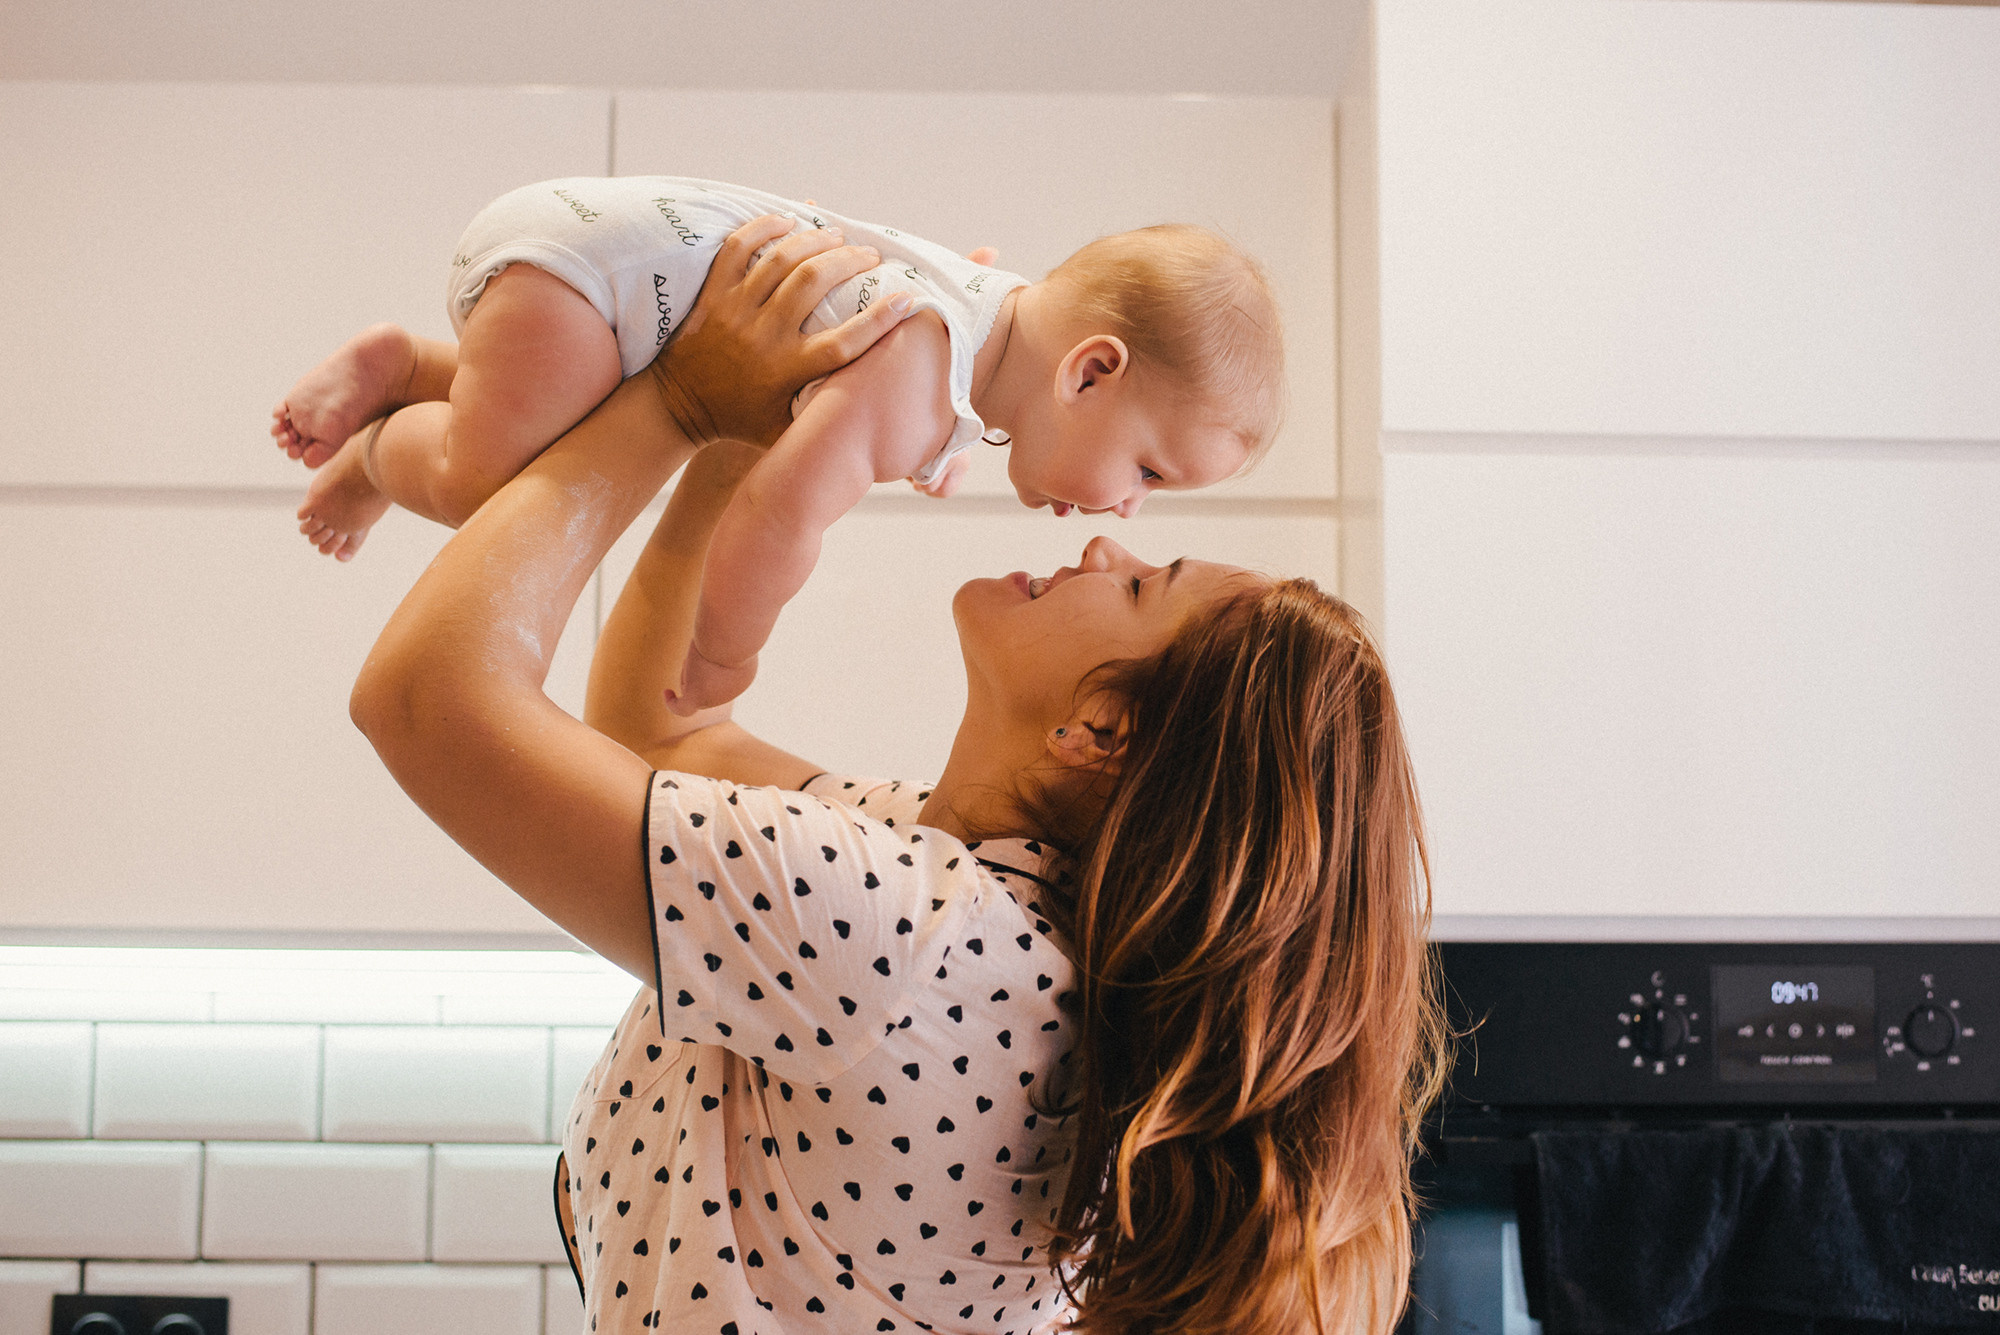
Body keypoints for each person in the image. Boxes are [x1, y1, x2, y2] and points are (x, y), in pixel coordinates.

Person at [350, 216, 1443, 1335]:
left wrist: (675, 402)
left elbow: (428, 703)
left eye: (1138, 585)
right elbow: (659, 734)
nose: (1104, 544)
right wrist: (760, 411)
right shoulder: (963, 890)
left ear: (1102, 730)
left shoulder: (914, 941)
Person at [278, 175, 1284, 713]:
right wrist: (727, 650)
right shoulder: (913, 380)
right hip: (581, 279)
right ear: (1089, 372)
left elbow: (959, 366)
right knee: (483, 483)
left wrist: (938, 449)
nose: (1126, 509)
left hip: (599, 267)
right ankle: (382, 436)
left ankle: (429, 371)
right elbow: (777, 510)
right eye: (1148, 471)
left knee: (555, 420)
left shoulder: (988, 316)